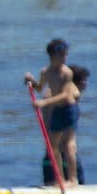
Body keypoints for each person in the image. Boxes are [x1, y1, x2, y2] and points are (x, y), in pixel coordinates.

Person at [26, 37, 78, 185]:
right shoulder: (45, 72)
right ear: (52, 56)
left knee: (67, 145)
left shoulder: (67, 73)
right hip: (57, 110)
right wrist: (31, 81)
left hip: (69, 109)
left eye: (66, 55)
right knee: (52, 146)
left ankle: (73, 180)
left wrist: (44, 102)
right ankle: (60, 179)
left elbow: (65, 94)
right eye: (62, 55)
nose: (65, 58)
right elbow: (40, 88)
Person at [38, 65, 89, 186]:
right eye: (83, 82)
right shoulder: (70, 93)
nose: (86, 86)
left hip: (49, 158)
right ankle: (72, 180)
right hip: (64, 159)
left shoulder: (51, 93)